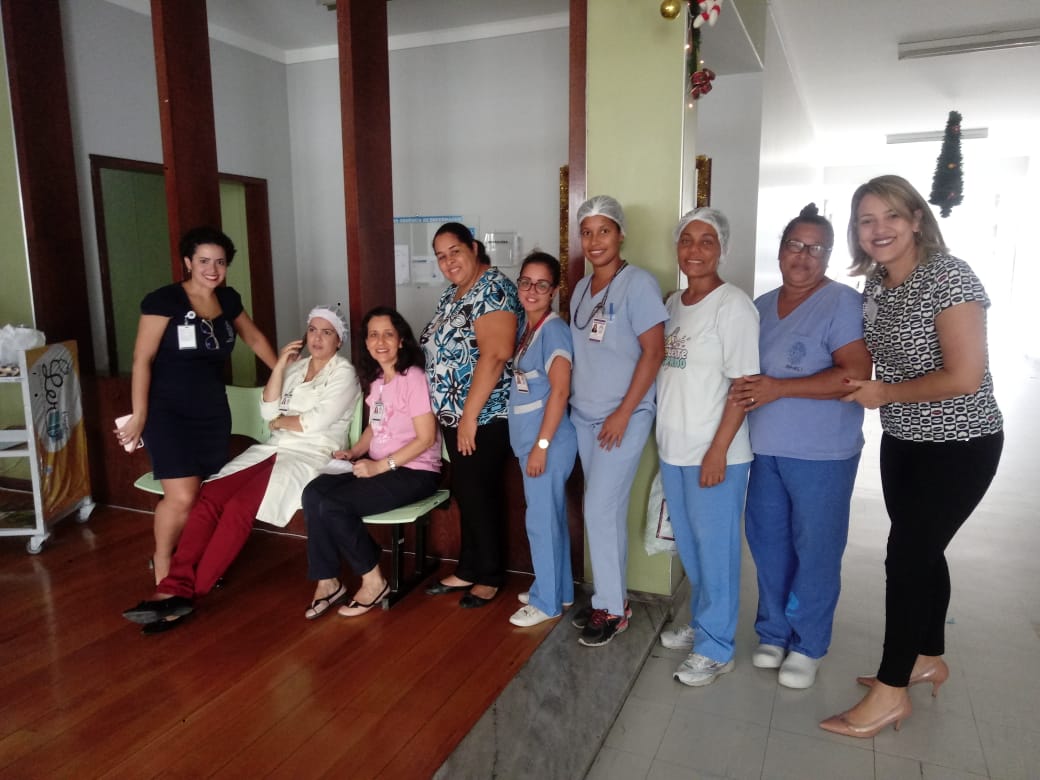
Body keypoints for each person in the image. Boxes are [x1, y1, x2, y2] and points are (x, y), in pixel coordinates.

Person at [820, 175, 1003, 737]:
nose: (878, 230)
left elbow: (965, 376)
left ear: (917, 219)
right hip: (904, 440)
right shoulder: (877, 282)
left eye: (891, 216)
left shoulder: (949, 277)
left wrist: (886, 393)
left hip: (961, 443)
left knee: (905, 559)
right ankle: (926, 656)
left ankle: (891, 689)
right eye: (866, 220)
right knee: (924, 552)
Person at [121, 308, 360, 634]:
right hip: (273, 448)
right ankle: (174, 584)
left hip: (310, 454)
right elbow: (267, 410)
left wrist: (281, 421)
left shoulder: (344, 373)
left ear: (339, 341)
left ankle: (189, 595)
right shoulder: (296, 367)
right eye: (313, 330)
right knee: (210, 495)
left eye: (327, 332)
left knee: (238, 507)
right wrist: (279, 366)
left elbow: (315, 423)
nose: (317, 338)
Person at [728, 204, 872, 689]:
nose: (804, 256)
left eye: (816, 248)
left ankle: (808, 643)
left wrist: (780, 388)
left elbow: (855, 375)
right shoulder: (761, 306)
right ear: (780, 250)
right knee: (769, 543)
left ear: (828, 257)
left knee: (816, 549)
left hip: (822, 455)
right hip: (765, 450)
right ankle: (773, 632)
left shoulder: (841, 303)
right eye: (795, 244)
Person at [116, 226, 278, 583]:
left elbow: (253, 337)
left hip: (211, 410)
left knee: (204, 491)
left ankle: (191, 558)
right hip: (167, 411)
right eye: (204, 261)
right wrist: (140, 415)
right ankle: (163, 561)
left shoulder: (228, 300)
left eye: (220, 262)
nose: (212, 269)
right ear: (188, 262)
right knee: (182, 495)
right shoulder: (164, 300)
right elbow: (142, 359)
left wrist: (285, 372)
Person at [654, 208, 759, 685]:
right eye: (687, 240)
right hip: (675, 450)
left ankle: (718, 648)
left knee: (716, 553)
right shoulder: (674, 303)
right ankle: (702, 624)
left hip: (716, 455)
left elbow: (744, 387)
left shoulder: (732, 306)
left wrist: (718, 450)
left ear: (722, 250)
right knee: (693, 550)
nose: (694, 250)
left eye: (707, 241)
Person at [569, 196, 667, 647]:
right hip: (584, 417)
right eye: (587, 232)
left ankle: (610, 608)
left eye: (603, 231)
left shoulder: (639, 284)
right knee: (604, 512)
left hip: (622, 418)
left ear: (621, 234)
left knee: (598, 509)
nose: (594, 241)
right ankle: (613, 600)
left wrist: (624, 413)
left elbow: (654, 351)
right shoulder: (580, 289)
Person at [302, 307, 442, 619]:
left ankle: (373, 580)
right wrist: (353, 452)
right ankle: (328, 580)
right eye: (373, 335)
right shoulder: (378, 380)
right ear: (366, 343)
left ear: (401, 340)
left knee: (335, 505)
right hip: (380, 466)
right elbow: (373, 427)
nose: (380, 342)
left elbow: (425, 438)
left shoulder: (413, 378)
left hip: (415, 472)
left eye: (388, 334)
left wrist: (379, 466)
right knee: (313, 493)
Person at [420, 222, 520, 608]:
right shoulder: (454, 292)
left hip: (485, 416)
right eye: (441, 257)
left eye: (455, 252)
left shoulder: (492, 288)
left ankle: (490, 575)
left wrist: (469, 417)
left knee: (479, 491)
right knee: (467, 491)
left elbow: (495, 355)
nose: (448, 262)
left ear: (474, 248)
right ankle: (469, 566)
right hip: (456, 415)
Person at [506, 253, 578, 627]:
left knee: (541, 522)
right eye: (526, 282)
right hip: (532, 441)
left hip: (547, 444)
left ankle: (546, 602)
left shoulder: (553, 331)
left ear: (554, 290)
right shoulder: (528, 328)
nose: (531, 290)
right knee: (550, 518)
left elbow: (560, 391)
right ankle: (559, 590)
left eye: (541, 284)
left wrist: (542, 446)